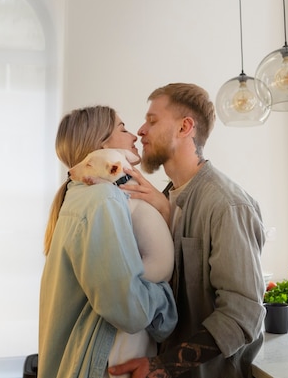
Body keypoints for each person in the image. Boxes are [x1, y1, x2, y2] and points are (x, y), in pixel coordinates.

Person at [109, 83, 267, 378]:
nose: (141, 130)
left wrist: (162, 366)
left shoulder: (228, 205)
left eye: (153, 120)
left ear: (185, 127)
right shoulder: (164, 198)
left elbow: (242, 316)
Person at [38, 106, 178, 378]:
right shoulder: (103, 198)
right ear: (103, 143)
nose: (134, 135)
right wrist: (165, 301)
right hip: (108, 363)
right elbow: (128, 308)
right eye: (123, 129)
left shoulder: (83, 195)